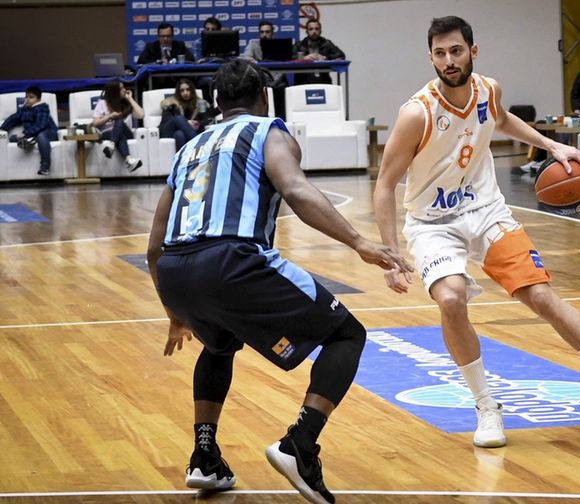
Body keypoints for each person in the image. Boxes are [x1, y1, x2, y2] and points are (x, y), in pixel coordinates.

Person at [373, 15, 580, 448]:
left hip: (486, 210)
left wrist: (551, 145)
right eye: (440, 53)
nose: (449, 61)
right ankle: (486, 406)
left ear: (473, 51)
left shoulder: (489, 89)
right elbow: (384, 184)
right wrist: (390, 255)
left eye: (456, 51)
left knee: (541, 296)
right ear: (430, 58)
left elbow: (501, 119)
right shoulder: (417, 113)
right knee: (450, 299)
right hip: (433, 222)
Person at [146, 58, 412, 501]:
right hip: (231, 259)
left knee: (219, 344)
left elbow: (155, 245)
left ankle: (204, 456)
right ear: (264, 97)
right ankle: (299, 444)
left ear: (216, 100)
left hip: (174, 269)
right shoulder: (268, 130)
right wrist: (359, 242)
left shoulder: (189, 147)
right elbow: (295, 189)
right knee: (347, 334)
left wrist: (174, 312)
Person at [0, 86, 58, 176]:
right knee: (12, 138)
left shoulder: (42, 108)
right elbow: (13, 119)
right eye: (26, 97)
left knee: (40, 136)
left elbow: (41, 125)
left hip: (47, 132)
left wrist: (25, 133)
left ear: (38, 99)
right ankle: (31, 139)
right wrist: (2, 129)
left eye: (31, 97)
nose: (27, 99)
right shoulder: (24, 110)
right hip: (32, 133)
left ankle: (45, 167)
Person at [90, 79, 144, 172]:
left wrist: (130, 99)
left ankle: (111, 145)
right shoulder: (102, 103)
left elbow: (141, 115)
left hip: (127, 133)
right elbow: (95, 123)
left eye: (124, 87)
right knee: (119, 135)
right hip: (108, 133)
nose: (124, 90)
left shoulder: (127, 103)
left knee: (119, 121)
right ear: (114, 92)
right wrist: (110, 116)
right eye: (121, 89)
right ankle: (129, 160)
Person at [159, 78, 215, 150]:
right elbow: (166, 120)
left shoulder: (200, 103)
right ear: (178, 92)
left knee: (179, 135)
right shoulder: (171, 103)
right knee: (179, 118)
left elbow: (207, 120)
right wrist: (186, 123)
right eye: (182, 90)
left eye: (188, 89)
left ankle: (183, 157)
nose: (185, 93)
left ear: (192, 90)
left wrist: (198, 123)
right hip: (168, 131)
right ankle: (198, 146)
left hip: (184, 133)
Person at [293, 18, 346, 84]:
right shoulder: (299, 45)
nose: (314, 31)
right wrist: (303, 58)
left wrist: (325, 58)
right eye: (311, 29)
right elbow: (289, 58)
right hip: (303, 82)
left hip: (324, 81)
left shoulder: (326, 43)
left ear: (320, 31)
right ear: (306, 32)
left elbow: (341, 55)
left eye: (316, 29)